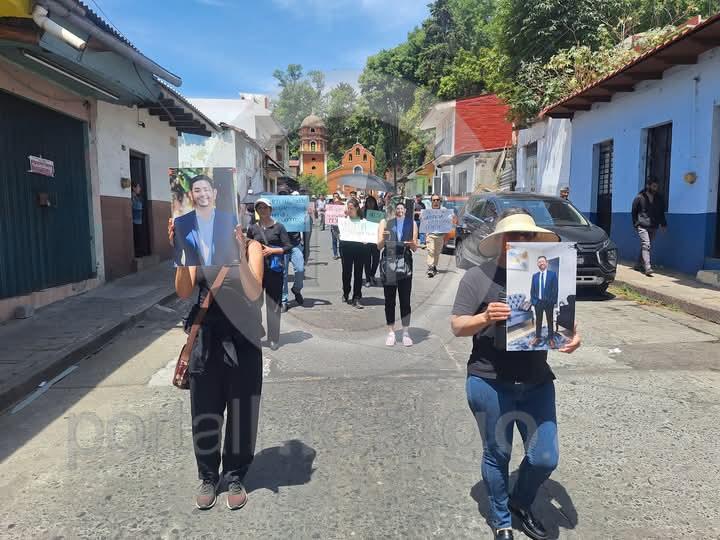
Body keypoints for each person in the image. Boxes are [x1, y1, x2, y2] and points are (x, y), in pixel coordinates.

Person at [450, 208, 581, 540]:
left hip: (537, 381)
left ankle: (519, 502)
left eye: (527, 235)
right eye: (513, 235)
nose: (521, 240)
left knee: (545, 457)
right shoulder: (478, 277)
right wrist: (484, 318)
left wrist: (571, 337)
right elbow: (457, 326)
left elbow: (562, 317)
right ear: (500, 240)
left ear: (536, 239)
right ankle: (501, 518)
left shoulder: (549, 272)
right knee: (499, 454)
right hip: (489, 380)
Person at [174, 225, 265, 511]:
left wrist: (238, 254)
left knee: (242, 412)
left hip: (244, 340)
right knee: (204, 411)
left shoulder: (250, 246)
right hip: (206, 340)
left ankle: (235, 475)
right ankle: (208, 476)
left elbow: (255, 293)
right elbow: (183, 290)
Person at [246, 198, 291, 351]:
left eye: (265, 207)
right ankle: (257, 331)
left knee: (274, 306)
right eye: (260, 208)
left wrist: (272, 250)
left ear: (270, 210)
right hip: (256, 271)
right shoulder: (253, 228)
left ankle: (273, 338)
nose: (263, 210)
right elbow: (248, 246)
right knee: (254, 303)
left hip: (274, 271)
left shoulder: (279, 227)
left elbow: (288, 247)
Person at [173, 175, 238, 266]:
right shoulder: (180, 222)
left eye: (206, 189)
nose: (202, 194)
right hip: (194, 274)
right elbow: (176, 258)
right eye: (197, 191)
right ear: (191, 195)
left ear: (214, 193)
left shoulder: (229, 220)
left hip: (223, 273)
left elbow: (235, 252)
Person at [378, 202, 418, 347]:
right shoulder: (385, 223)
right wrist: (384, 238)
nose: (399, 211)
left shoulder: (411, 223)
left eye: (402, 209)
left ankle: (405, 332)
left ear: (405, 210)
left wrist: (411, 243)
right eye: (397, 208)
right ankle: (391, 332)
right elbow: (379, 246)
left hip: (405, 262)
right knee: (389, 300)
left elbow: (415, 248)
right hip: (389, 261)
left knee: (405, 299)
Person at [631, 179, 667, 276]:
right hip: (642, 225)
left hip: (654, 226)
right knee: (646, 244)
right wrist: (636, 224)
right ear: (648, 186)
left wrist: (663, 224)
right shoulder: (639, 197)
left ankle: (638, 264)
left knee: (646, 245)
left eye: (657, 187)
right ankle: (647, 267)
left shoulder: (659, 199)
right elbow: (634, 211)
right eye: (654, 186)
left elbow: (661, 213)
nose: (655, 189)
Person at [339, 198, 368, 308]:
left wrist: (366, 240)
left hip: (359, 249)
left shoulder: (363, 221)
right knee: (346, 272)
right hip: (346, 248)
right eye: (348, 208)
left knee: (358, 273)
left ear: (357, 208)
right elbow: (338, 231)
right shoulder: (344, 220)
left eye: (351, 208)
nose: (349, 210)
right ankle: (346, 292)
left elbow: (367, 234)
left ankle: (357, 297)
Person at [530, 256, 559, 349]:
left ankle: (551, 338)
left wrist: (552, 302)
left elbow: (555, 289)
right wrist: (534, 302)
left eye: (543, 261)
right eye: (539, 262)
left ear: (546, 263)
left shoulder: (552, 274)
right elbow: (532, 290)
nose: (541, 263)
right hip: (538, 302)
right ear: (537, 264)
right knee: (538, 321)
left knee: (550, 321)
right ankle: (537, 337)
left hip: (549, 303)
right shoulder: (535, 276)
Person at [424, 194, 453, 278]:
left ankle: (434, 266)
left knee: (437, 252)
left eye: (437, 200)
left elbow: (449, 221)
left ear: (440, 201)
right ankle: (430, 267)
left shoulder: (444, 210)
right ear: (431, 201)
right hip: (431, 235)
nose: (436, 201)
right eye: (434, 200)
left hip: (440, 235)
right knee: (431, 251)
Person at [281, 230, 305, 313]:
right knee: (283, 273)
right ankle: (283, 300)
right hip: (281, 245)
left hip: (295, 244)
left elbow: (306, 226)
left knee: (300, 269)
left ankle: (296, 289)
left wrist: (307, 247)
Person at [363, 195, 381, 286]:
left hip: (376, 240)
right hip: (366, 240)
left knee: (376, 260)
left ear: (375, 203)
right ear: (366, 203)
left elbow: (382, 225)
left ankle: (372, 275)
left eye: (372, 202)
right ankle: (368, 279)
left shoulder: (379, 213)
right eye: (368, 202)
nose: (370, 203)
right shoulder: (362, 213)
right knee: (367, 261)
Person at [131, 180, 148, 257]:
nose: (140, 189)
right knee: (137, 238)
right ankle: (137, 252)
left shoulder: (138, 197)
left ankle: (141, 251)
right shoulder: (132, 197)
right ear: (133, 188)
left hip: (140, 221)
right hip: (135, 221)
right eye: (138, 187)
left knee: (140, 237)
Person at [329, 192, 343, 259]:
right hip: (333, 225)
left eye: (337, 196)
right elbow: (328, 214)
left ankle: (341, 253)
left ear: (339, 197)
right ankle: (335, 254)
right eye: (334, 196)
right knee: (334, 240)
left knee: (341, 241)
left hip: (340, 226)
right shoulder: (331, 205)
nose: (336, 197)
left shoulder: (342, 204)